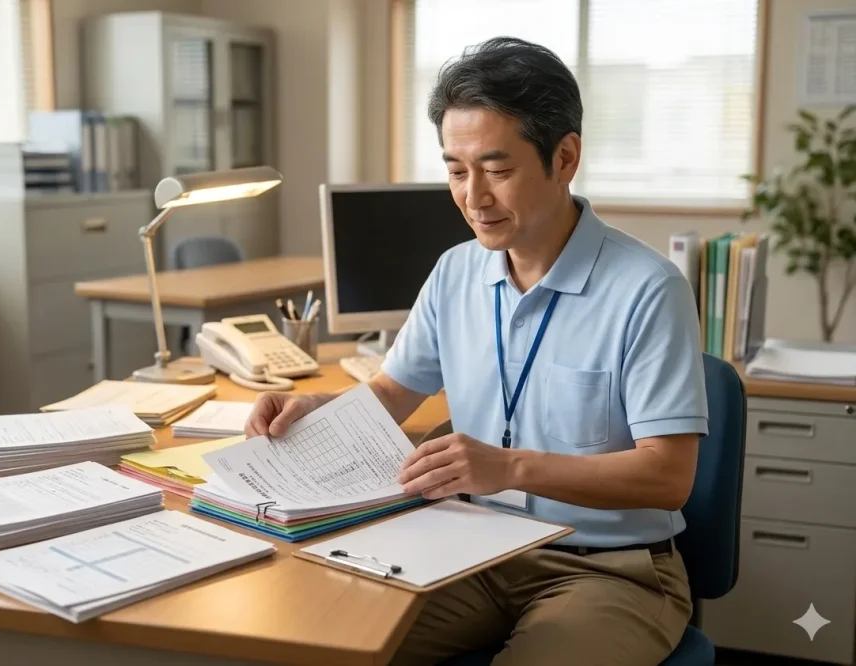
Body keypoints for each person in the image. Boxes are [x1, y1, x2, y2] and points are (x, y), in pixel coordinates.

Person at [245, 36, 708, 666]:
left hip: (609, 569)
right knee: (324, 641)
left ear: (565, 157)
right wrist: (317, 411)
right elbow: (391, 393)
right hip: (472, 548)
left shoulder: (648, 289)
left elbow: (668, 477)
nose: (473, 197)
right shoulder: (456, 272)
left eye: (497, 169)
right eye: (456, 171)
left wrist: (510, 467)